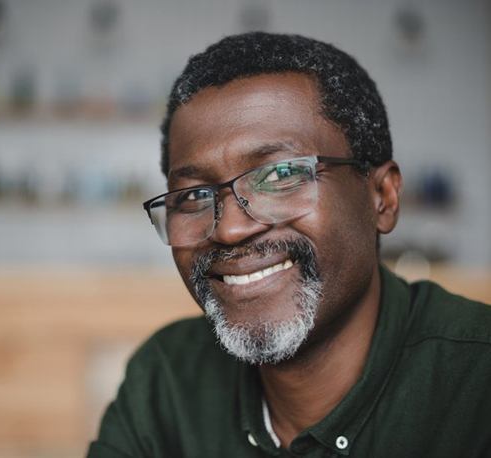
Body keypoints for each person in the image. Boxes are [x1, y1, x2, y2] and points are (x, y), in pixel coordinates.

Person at [87, 32, 491, 458]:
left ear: (383, 197)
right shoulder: (167, 381)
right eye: (194, 196)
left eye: (280, 176)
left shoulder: (477, 382)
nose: (230, 231)